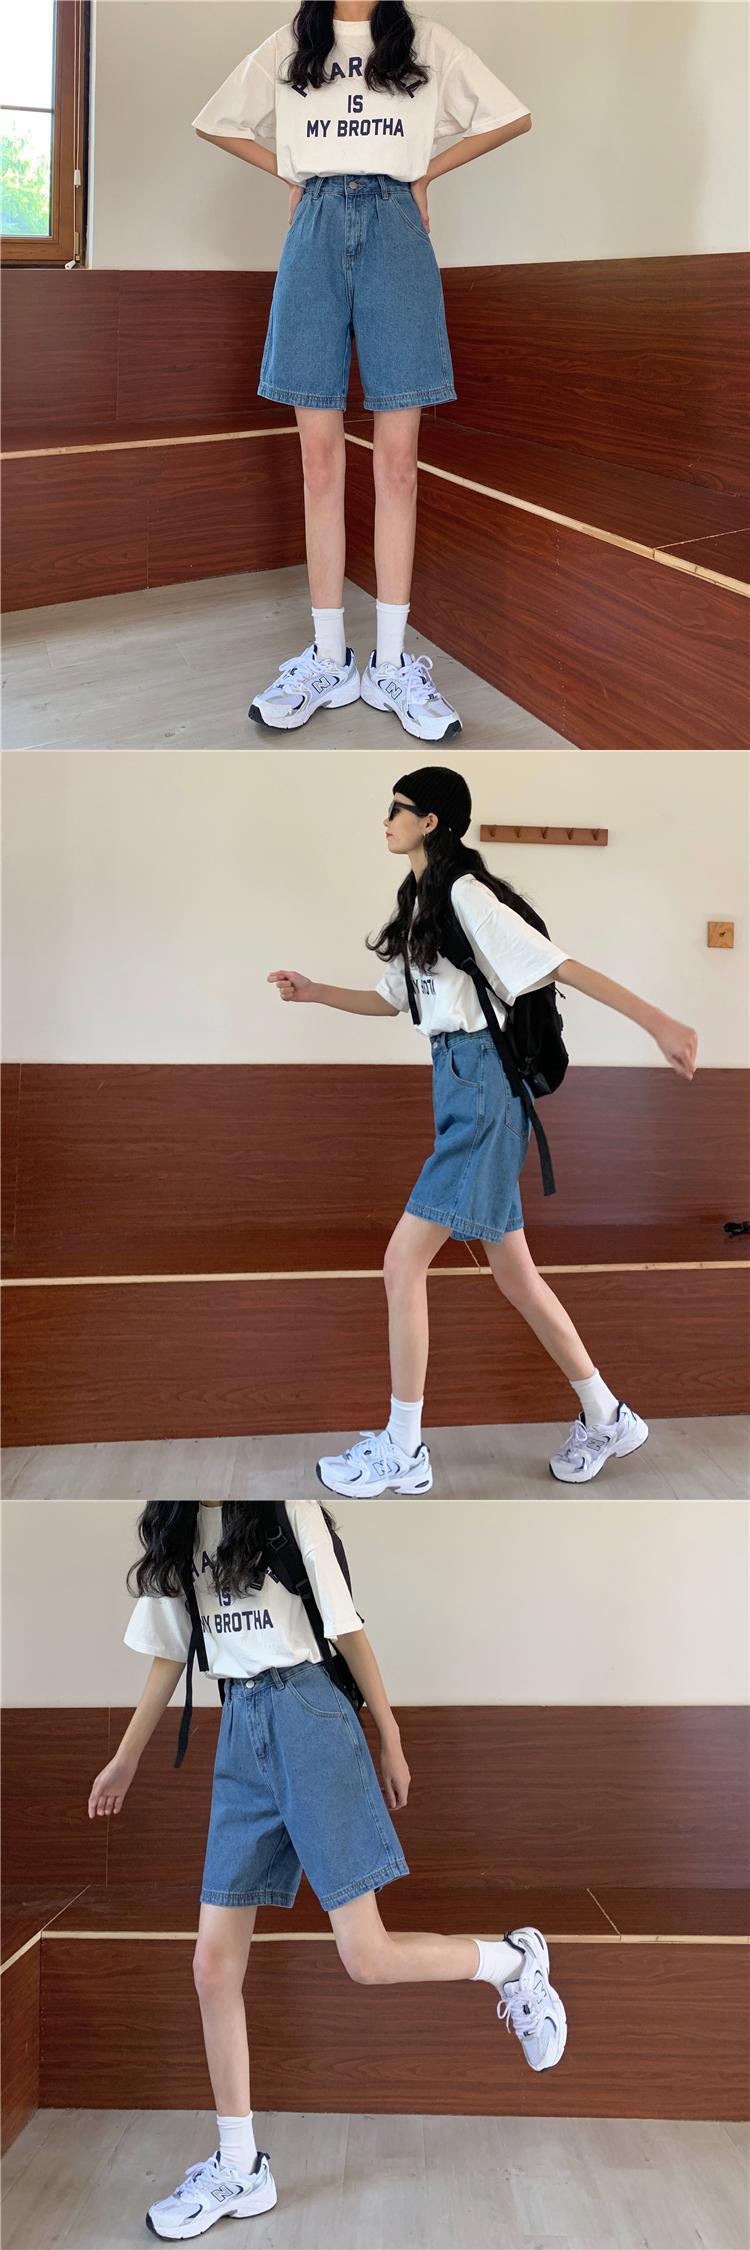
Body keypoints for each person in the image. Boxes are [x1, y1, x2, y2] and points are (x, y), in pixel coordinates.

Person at [89, 1499, 567, 2238]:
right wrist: (126, 1758)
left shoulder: (285, 1508)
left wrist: (391, 1736)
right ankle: (239, 2166)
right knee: (212, 1967)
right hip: (238, 1729)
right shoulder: (178, 1525)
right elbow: (169, 1652)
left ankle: (511, 1962)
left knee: (367, 1958)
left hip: (308, 1716)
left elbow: (346, 1625)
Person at [268, 766, 698, 1496]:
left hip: (482, 1093)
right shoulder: (421, 903)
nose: (386, 819)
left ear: (431, 821)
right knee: (515, 1275)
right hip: (457, 1083)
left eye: (398, 808)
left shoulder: (466, 894)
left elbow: (560, 966)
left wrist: (660, 1022)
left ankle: (404, 1449)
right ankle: (607, 1416)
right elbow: (395, 1001)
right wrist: (314, 994)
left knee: (402, 1263)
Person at [192, 2, 532, 738]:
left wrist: (426, 172)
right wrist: (292, 169)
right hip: (314, 223)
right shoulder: (294, 42)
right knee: (319, 462)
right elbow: (214, 121)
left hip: (396, 227)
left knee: (399, 464)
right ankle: (327, 659)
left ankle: (391, 663)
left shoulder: (425, 42)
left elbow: (510, 117)